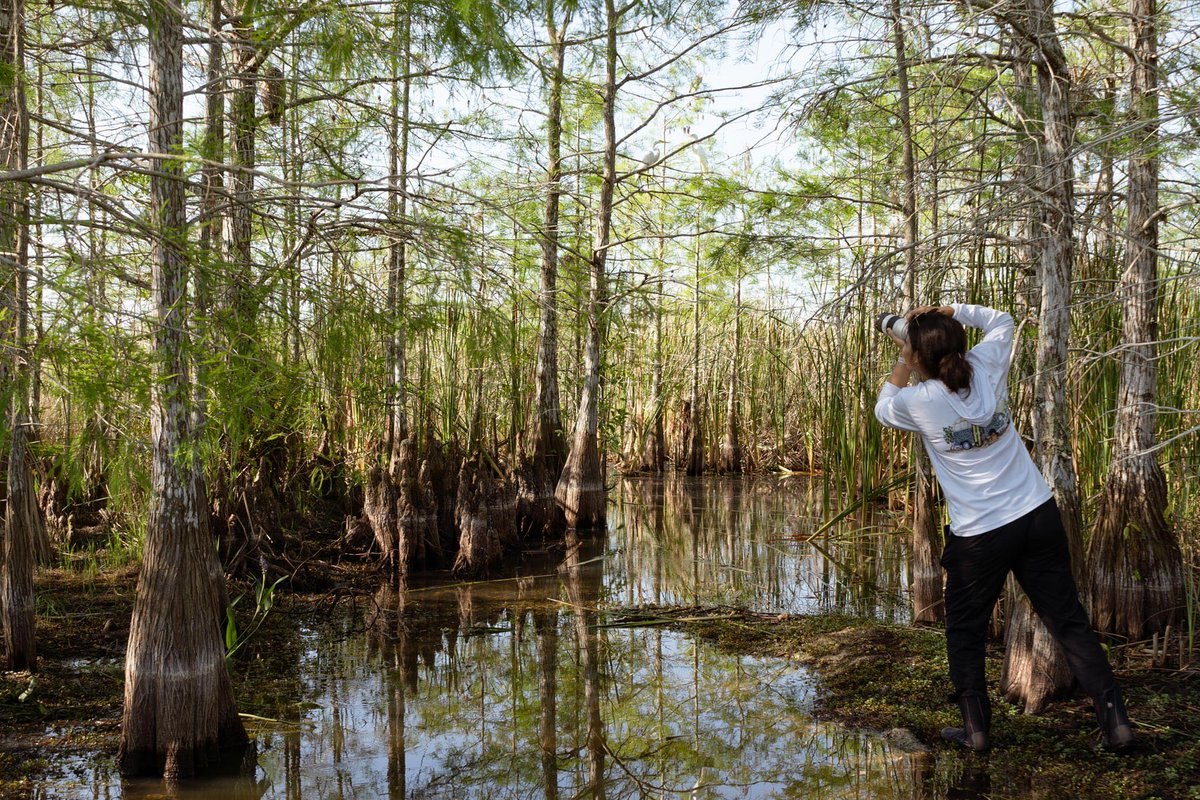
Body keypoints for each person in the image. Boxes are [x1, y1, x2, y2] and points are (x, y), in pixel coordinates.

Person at [873, 303, 1133, 753]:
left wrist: (901, 357)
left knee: (966, 630)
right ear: (957, 343)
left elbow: (882, 406)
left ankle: (975, 730)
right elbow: (1002, 321)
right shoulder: (985, 364)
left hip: (979, 535)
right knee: (1068, 621)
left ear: (919, 357)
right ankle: (1117, 724)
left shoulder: (918, 401)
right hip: (1036, 514)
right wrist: (952, 309)